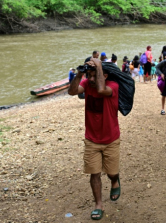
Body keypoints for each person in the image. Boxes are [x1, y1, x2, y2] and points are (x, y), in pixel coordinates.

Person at [68, 57, 121, 220]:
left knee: (111, 172)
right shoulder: (86, 84)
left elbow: (101, 90)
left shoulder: (113, 86)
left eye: (93, 75)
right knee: (94, 173)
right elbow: (72, 92)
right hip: (91, 139)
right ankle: (98, 205)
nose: (89, 79)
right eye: (88, 75)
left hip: (111, 139)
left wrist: (98, 65)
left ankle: (114, 180)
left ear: (104, 75)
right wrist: (79, 75)